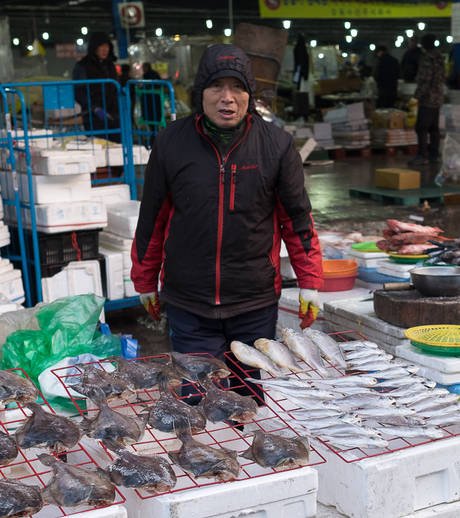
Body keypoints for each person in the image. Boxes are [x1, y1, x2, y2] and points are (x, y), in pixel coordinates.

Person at [130, 44, 324, 379]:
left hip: (254, 301)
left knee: (248, 400)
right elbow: (153, 219)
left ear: (249, 94)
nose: (227, 97)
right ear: (200, 93)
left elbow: (297, 219)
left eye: (237, 87)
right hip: (188, 301)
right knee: (199, 400)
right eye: (216, 86)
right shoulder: (170, 143)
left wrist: (310, 281)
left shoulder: (276, 145)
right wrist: (145, 279)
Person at [73, 34, 122, 139]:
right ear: (94, 47)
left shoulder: (110, 65)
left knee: (117, 149)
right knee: (99, 149)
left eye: (107, 46)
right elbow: (78, 91)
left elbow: (116, 88)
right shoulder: (82, 66)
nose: (105, 50)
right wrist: (94, 108)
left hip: (114, 117)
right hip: (94, 119)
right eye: (101, 46)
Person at [410, 34, 445, 166]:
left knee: (421, 127)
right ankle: (434, 155)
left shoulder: (427, 59)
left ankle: (421, 155)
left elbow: (425, 80)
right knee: (434, 128)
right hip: (438, 97)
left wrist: (416, 97)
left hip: (427, 99)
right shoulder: (439, 57)